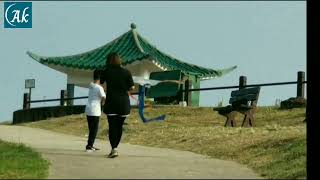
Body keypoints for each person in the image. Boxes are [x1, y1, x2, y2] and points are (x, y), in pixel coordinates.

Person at [101, 52, 135, 158]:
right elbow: (132, 87)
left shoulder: (106, 71)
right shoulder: (127, 72)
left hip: (111, 102)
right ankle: (116, 148)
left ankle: (113, 149)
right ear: (120, 60)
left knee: (112, 127)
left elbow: (101, 82)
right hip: (123, 103)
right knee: (119, 126)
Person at [84, 70, 106, 152]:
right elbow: (104, 97)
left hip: (88, 109)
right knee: (94, 129)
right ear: (100, 77)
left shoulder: (91, 86)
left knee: (91, 129)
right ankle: (89, 146)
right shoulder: (99, 87)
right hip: (95, 110)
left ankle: (90, 145)